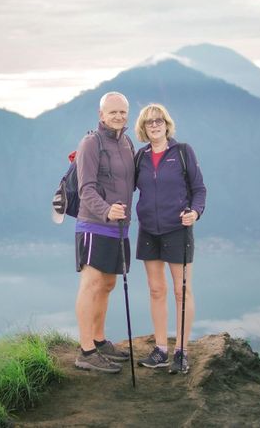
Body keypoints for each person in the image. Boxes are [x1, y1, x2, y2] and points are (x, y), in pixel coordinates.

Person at [134, 103, 206, 375]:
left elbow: (199, 189)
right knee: (156, 290)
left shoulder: (183, 153)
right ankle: (161, 349)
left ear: (166, 124)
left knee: (180, 291)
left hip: (178, 229)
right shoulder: (139, 158)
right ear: (143, 128)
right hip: (149, 230)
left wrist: (195, 213)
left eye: (159, 120)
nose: (155, 124)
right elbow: (119, 183)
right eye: (149, 121)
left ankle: (182, 352)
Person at [73, 91, 136, 373]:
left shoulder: (127, 142)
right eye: (113, 112)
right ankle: (85, 351)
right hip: (94, 224)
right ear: (101, 115)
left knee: (108, 284)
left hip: (119, 226)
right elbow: (85, 189)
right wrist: (106, 210)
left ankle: (99, 340)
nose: (118, 117)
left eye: (122, 112)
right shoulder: (91, 143)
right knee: (92, 283)